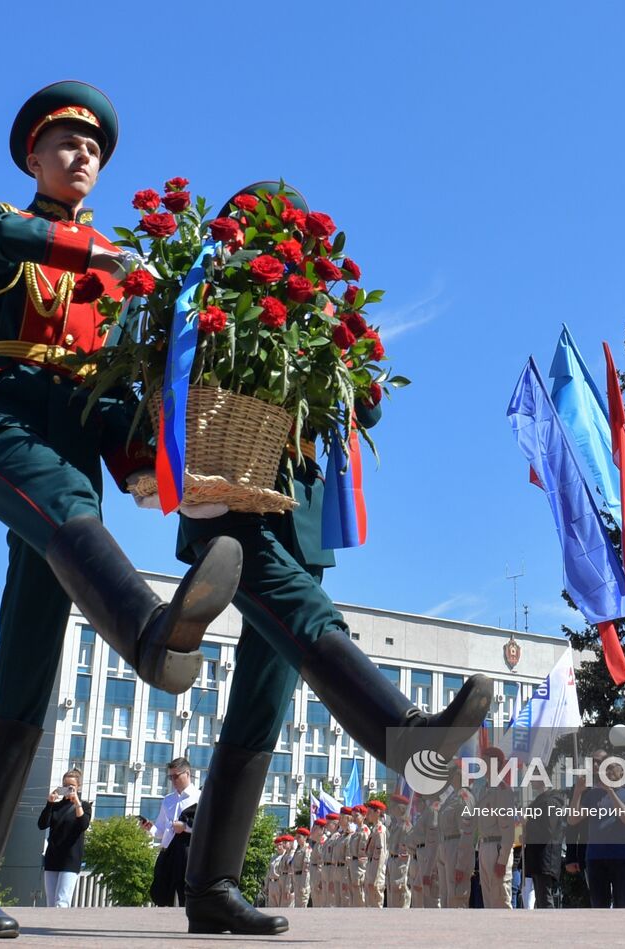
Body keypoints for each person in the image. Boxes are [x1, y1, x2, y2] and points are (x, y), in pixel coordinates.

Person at [0, 81, 244, 940]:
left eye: (93, 150)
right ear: (32, 157)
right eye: (65, 144)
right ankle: (149, 632)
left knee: (30, 651)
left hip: (65, 432)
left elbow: (105, 403)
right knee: (70, 512)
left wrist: (160, 447)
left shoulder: (109, 285)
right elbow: (2, 245)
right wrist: (98, 251)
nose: (82, 157)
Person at [176, 184, 493, 937]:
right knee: (312, 623)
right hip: (235, 506)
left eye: (286, 228)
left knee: (259, 707)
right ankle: (406, 736)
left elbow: (367, 408)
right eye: (262, 224)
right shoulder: (211, 298)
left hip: (301, 523)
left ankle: (212, 885)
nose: (276, 237)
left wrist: (341, 351)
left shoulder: (309, 313)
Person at [568, 751, 625, 908]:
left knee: (622, 903)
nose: (597, 768)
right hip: (595, 856)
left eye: (607, 768)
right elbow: (573, 820)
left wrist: (610, 791)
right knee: (599, 905)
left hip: (619, 856)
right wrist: (577, 792)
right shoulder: (592, 795)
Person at [37, 769, 91, 908]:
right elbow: (42, 825)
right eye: (64, 785)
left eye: (71, 786)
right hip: (53, 856)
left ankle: (57, 927)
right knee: (51, 902)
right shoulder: (56, 807)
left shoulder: (84, 806)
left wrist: (76, 801)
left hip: (71, 858)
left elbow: (83, 824)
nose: (67, 789)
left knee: (62, 901)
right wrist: (49, 803)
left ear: (78, 787)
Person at [150, 758, 199, 907]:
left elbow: (206, 827)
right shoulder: (168, 800)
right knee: (162, 889)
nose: (173, 780)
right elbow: (160, 830)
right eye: (171, 776)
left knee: (185, 890)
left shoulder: (199, 797)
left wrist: (185, 827)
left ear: (188, 774)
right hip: (168, 849)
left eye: (176, 776)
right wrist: (149, 827)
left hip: (187, 849)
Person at [475, 748, 520, 909]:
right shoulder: (483, 790)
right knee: (489, 901)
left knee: (500, 899)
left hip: (497, 848)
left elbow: (508, 831)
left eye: (485, 761)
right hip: (484, 847)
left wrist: (502, 860)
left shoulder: (503, 791)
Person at [435, 760, 477, 908]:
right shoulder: (452, 796)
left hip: (456, 847)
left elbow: (467, 832)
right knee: (446, 894)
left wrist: (461, 864)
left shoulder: (464, 797)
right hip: (446, 846)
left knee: (457, 895)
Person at [523, 776, 569, 909]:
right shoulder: (542, 801)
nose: (530, 781)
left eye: (533, 778)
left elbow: (548, 830)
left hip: (545, 857)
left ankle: (552, 927)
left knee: (545, 898)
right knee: (541, 897)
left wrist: (529, 822)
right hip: (539, 857)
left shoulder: (550, 802)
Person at [385, 794, 413, 908]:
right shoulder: (395, 825)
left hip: (400, 865)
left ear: (399, 808)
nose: (390, 808)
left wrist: (402, 876)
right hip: (393, 862)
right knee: (392, 898)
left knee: (401, 897)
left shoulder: (405, 826)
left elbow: (405, 854)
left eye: (393, 806)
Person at [362, 801, 389, 907]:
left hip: (376, 873)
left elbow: (380, 855)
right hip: (371, 869)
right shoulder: (374, 829)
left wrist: (375, 878)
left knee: (376, 904)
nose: (367, 815)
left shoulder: (380, 831)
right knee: (370, 904)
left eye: (369, 812)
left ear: (377, 812)